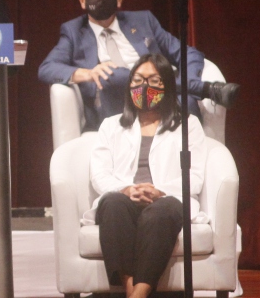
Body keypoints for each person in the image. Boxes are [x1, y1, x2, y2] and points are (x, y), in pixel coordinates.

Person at [38, 0, 239, 131]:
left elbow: (189, 53)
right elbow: (47, 68)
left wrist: (189, 82)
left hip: (163, 99)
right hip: (117, 105)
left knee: (184, 99)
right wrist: (89, 73)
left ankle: (188, 89)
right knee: (111, 74)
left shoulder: (143, 20)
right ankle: (206, 89)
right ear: (82, 0)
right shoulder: (73, 31)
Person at [87, 53, 207, 298]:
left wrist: (159, 190)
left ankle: (138, 294)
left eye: (154, 81)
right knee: (112, 203)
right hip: (124, 199)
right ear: (129, 84)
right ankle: (133, 290)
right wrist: (128, 189)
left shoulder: (188, 125)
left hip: (166, 201)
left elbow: (194, 177)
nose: (144, 87)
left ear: (168, 87)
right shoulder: (111, 126)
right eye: (138, 80)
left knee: (161, 211)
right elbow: (99, 174)